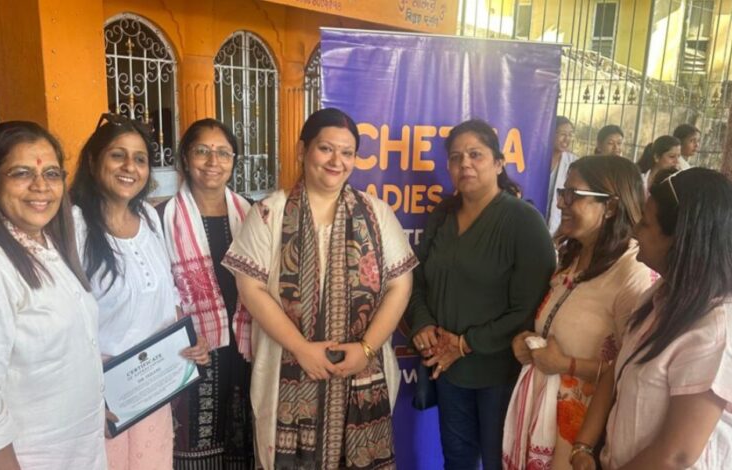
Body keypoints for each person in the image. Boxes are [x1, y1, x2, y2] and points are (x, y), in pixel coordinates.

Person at [223, 108, 417, 469]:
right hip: (286, 370)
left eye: (347, 153)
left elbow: (400, 286)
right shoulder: (268, 213)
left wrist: (365, 348)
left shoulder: (377, 214)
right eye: (326, 149)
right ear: (303, 150)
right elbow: (250, 289)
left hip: (362, 373)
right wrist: (301, 349)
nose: (336, 161)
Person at [571, 168, 732, 470]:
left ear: (681, 239)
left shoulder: (721, 328)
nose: (635, 232)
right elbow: (617, 370)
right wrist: (582, 447)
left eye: (646, 224)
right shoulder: (661, 296)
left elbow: (676, 455)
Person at [406, 119, 556, 469]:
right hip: (448, 369)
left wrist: (465, 344)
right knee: (456, 461)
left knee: (497, 461)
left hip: (499, 373)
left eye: (476, 155)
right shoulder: (442, 215)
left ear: (499, 163)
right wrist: (423, 323)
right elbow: (416, 278)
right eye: (456, 157)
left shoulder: (524, 221)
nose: (465, 164)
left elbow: (530, 307)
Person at [70, 113, 209, 470]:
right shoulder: (74, 225)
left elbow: (167, 292)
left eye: (140, 159)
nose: (129, 167)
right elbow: (64, 320)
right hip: (99, 388)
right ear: (93, 161)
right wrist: (86, 398)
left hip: (151, 383)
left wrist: (188, 337)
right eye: (118, 155)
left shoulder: (148, 216)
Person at [503, 156, 653, 469]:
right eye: (563, 193)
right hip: (545, 418)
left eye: (574, 195)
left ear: (610, 207)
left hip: (585, 435)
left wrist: (565, 365)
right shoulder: (572, 257)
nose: (561, 204)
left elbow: (635, 368)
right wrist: (526, 342)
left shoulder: (633, 271)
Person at [0, 122, 106, 469]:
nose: (41, 186)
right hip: (31, 457)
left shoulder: (52, 245)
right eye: (22, 173)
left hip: (81, 449)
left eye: (51, 174)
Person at [158, 118, 254, 469]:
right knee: (195, 448)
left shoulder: (252, 213)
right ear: (185, 157)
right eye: (202, 151)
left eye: (223, 153)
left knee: (245, 441)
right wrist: (180, 332)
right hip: (192, 350)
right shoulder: (160, 218)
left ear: (233, 160)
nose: (213, 161)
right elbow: (157, 290)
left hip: (246, 346)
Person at [547, 116, 578, 234]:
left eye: (570, 135)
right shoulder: (535, 158)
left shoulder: (573, 163)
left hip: (556, 226)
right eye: (563, 134)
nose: (567, 139)